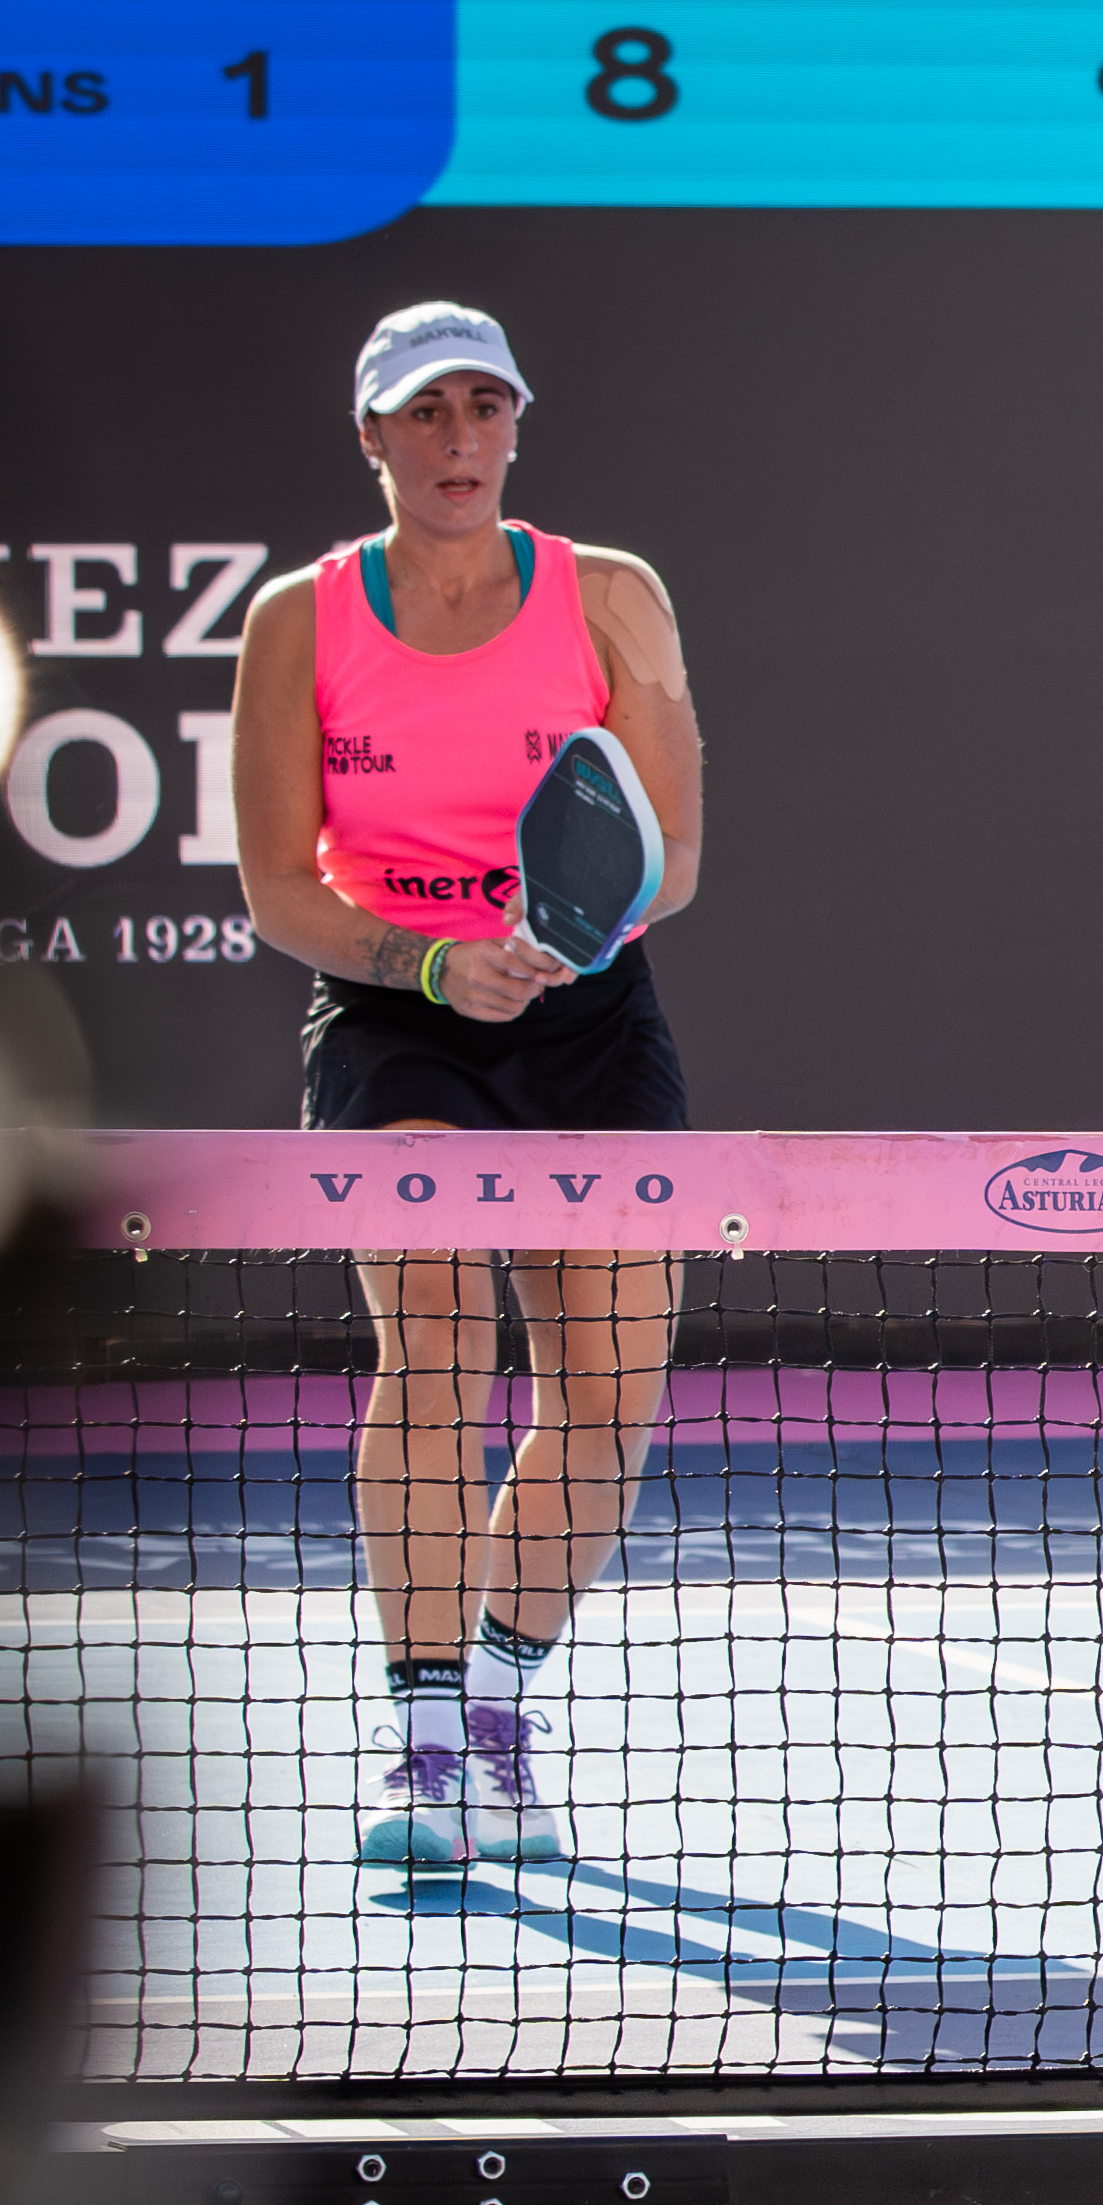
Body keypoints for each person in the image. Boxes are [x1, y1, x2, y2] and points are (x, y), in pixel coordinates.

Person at [229, 302, 705, 1871]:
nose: (457, 439)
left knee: (608, 1394)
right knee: (435, 1342)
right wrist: (434, 964)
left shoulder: (613, 597)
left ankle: (497, 1701)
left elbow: (672, 856)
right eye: (424, 412)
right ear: (371, 435)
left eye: (482, 408)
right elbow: (277, 888)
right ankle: (426, 1736)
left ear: (514, 425)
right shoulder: (299, 621)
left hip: (586, 1014)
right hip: (399, 1019)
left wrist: (564, 936)